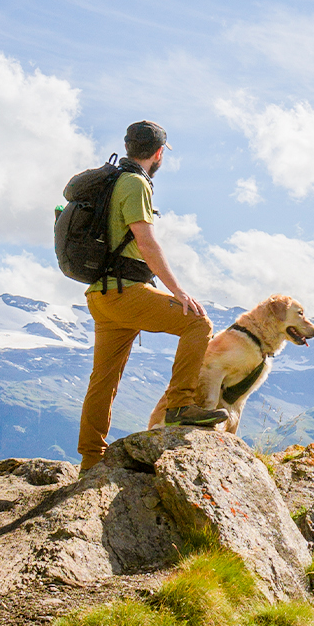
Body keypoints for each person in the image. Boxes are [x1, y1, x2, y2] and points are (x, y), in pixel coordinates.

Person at [77, 120, 221, 471]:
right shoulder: (136, 183)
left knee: (103, 380)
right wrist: (179, 292)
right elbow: (146, 241)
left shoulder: (110, 182)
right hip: (126, 293)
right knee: (198, 324)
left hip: (101, 296)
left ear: (128, 147)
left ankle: (91, 460)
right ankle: (179, 405)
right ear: (158, 154)